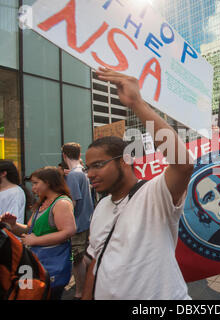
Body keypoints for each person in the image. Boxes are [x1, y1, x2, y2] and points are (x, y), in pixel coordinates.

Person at [82, 68, 194, 300]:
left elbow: (182, 164)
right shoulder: (100, 208)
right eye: (88, 167)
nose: (90, 174)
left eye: (98, 165)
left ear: (125, 161)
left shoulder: (154, 194)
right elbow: (95, 261)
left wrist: (137, 104)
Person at [0, 166, 76, 300]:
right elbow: (30, 230)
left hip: (52, 263)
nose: (33, 188)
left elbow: (68, 231)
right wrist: (13, 224)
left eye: (36, 183)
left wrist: (35, 241)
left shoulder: (61, 203)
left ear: (48, 182)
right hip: (39, 262)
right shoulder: (43, 203)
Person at [62, 142, 94, 300]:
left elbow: (73, 202)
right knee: (82, 256)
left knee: (77, 259)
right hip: (85, 220)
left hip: (78, 224)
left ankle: (80, 291)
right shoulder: (81, 171)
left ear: (64, 155)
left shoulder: (74, 175)